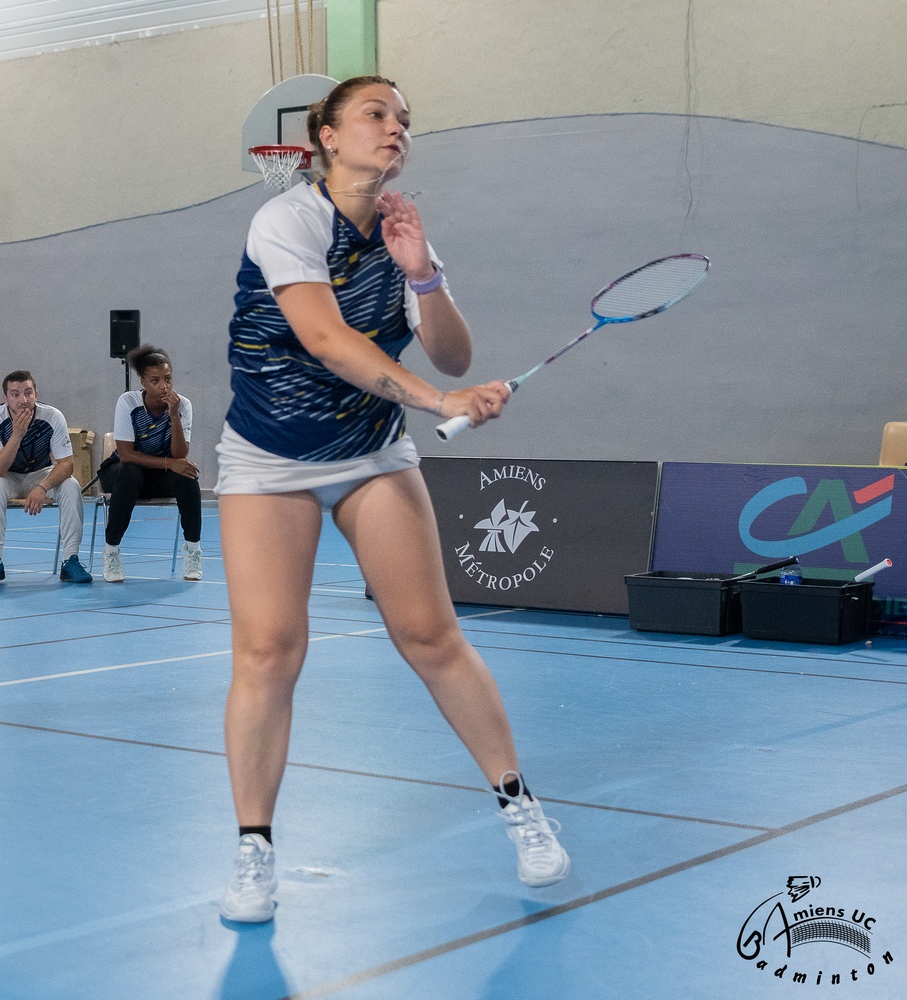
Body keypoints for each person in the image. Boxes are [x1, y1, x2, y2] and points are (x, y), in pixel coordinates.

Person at [215, 77, 569, 923]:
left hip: (370, 452)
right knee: (268, 652)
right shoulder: (289, 219)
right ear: (326, 137)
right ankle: (254, 852)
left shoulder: (404, 230)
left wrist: (426, 273)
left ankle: (522, 809)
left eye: (405, 119)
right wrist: (440, 404)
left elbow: (451, 353)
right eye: (377, 113)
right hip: (268, 459)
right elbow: (327, 340)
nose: (396, 128)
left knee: (431, 636)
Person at [0, 370, 92, 586]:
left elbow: (66, 464)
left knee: (71, 486)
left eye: (28, 393)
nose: (23, 400)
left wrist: (42, 487)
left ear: (36, 395)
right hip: (5, 475)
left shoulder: (52, 416)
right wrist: (17, 435)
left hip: (41, 473)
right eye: (15, 394)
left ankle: (71, 560)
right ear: (5, 399)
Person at [99, 344, 203, 582]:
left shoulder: (182, 405)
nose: (163, 386)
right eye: (155, 380)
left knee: (188, 475)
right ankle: (111, 551)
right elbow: (125, 454)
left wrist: (174, 415)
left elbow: (180, 455)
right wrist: (170, 463)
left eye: (168, 379)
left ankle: (193, 550)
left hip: (156, 476)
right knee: (130, 472)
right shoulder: (128, 402)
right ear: (143, 382)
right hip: (121, 473)